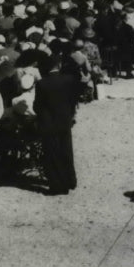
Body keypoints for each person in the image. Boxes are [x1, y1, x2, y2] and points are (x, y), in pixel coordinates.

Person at [34, 53, 78, 195]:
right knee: (66, 150)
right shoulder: (69, 80)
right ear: (59, 65)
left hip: (48, 122)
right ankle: (70, 180)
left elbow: (37, 106)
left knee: (52, 154)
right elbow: (73, 100)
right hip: (64, 120)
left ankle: (57, 185)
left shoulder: (42, 83)